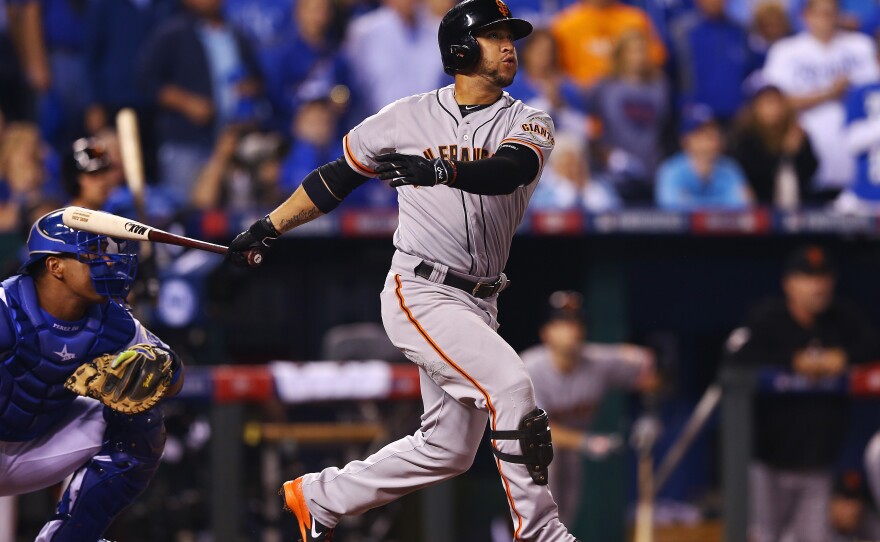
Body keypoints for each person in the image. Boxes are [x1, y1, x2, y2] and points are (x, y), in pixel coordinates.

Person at [227, 1, 579, 540]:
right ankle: (541, 532)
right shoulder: (404, 117)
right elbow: (335, 179)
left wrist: (440, 168)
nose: (510, 45)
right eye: (494, 35)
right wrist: (269, 226)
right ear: (460, 50)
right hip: (422, 288)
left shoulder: (529, 120)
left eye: (512, 35)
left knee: (448, 450)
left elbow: (510, 170)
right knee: (511, 388)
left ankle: (320, 495)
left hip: (481, 300)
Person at [0, 209, 185, 541]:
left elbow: (174, 375)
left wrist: (156, 371)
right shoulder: (5, 307)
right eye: (92, 254)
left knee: (141, 417)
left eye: (107, 253)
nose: (108, 262)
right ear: (55, 265)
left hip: (35, 448)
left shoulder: (114, 321)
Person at [726, 244, 877, 542]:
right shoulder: (768, 318)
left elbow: (872, 345)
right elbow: (736, 359)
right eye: (809, 277)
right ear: (790, 284)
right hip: (768, 465)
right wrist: (792, 360)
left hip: (818, 465)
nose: (818, 285)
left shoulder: (842, 319)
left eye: (823, 277)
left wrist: (843, 357)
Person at [521, 290, 657, 526]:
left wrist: (650, 413)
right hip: (527, 453)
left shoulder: (598, 360)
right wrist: (587, 442)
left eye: (576, 321)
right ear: (546, 332)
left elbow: (649, 371)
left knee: (564, 522)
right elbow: (537, 431)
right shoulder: (529, 367)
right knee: (541, 519)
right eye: (562, 322)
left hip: (569, 452)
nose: (571, 328)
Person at [137, 0, 264, 208]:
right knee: (185, 215)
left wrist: (250, 87)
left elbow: (258, 78)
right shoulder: (172, 32)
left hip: (232, 139)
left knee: (236, 217)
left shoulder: (236, 34)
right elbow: (146, 81)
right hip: (186, 141)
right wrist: (186, 103)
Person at [762, 0, 879, 199]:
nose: (826, 20)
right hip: (807, 152)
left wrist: (850, 93)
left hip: (861, 155)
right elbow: (773, 103)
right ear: (805, 16)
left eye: (831, 13)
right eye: (820, 13)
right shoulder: (786, 50)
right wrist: (829, 93)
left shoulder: (860, 46)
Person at [589, 30, 670, 202]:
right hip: (613, 175)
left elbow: (666, 129)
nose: (638, 56)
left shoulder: (660, 86)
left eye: (642, 50)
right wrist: (606, 155)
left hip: (652, 171)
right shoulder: (604, 87)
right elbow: (588, 129)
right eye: (632, 51)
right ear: (620, 54)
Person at [731, 81, 818, 208]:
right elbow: (753, 176)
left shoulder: (796, 133)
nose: (772, 109)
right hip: (760, 207)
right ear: (755, 107)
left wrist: (798, 151)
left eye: (776, 103)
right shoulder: (745, 137)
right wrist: (785, 153)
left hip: (798, 205)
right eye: (766, 103)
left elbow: (811, 171)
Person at [669, 0, 753, 125]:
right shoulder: (682, 30)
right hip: (696, 122)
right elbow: (672, 75)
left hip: (735, 119)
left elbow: (748, 73)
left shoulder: (740, 31)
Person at [550, 0, 666, 89]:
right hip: (581, 105)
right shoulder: (564, 25)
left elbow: (655, 62)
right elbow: (555, 74)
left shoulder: (636, 20)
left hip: (630, 98)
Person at [655, 104, 752, 210]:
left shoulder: (730, 169)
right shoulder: (670, 170)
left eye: (714, 131)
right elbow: (670, 207)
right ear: (686, 139)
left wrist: (690, 202)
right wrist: (722, 204)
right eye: (702, 132)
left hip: (727, 227)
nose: (712, 137)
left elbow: (744, 205)